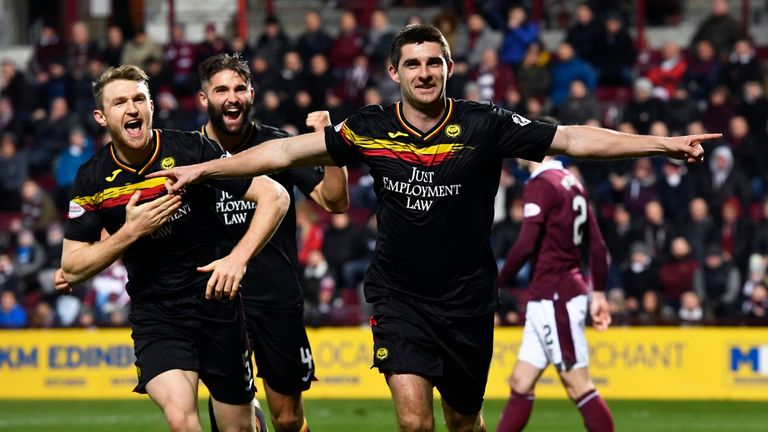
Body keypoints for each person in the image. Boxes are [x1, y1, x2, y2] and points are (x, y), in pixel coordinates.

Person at [151, 25, 719, 432]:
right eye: (413, 63)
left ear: (449, 67)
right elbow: (280, 153)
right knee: (413, 420)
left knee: (464, 419)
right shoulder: (368, 127)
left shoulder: (486, 123)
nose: (425, 72)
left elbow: (572, 138)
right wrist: (204, 167)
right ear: (395, 72)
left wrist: (664, 144)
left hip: (468, 296)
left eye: (435, 62)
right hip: (398, 294)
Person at [58, 65, 290, 432]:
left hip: (216, 304)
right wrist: (130, 232)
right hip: (157, 314)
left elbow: (274, 196)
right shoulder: (92, 178)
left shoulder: (192, 150)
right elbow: (71, 266)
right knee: (182, 420)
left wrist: (237, 259)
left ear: (152, 106)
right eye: (120, 102)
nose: (132, 109)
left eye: (139, 99)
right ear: (102, 116)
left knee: (238, 428)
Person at [197, 53, 348, 432]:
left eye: (239, 88)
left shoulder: (276, 145)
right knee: (232, 420)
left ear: (251, 93)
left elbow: (335, 200)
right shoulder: (188, 153)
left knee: (288, 418)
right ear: (204, 99)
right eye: (221, 90)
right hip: (218, 299)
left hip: (276, 296)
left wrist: (327, 142)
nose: (231, 97)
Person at [496, 154, 613, 432]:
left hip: (556, 297)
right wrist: (598, 293)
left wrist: (496, 284)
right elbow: (596, 245)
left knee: (578, 385)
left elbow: (525, 245)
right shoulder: (573, 182)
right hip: (551, 293)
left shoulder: (541, 183)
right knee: (521, 380)